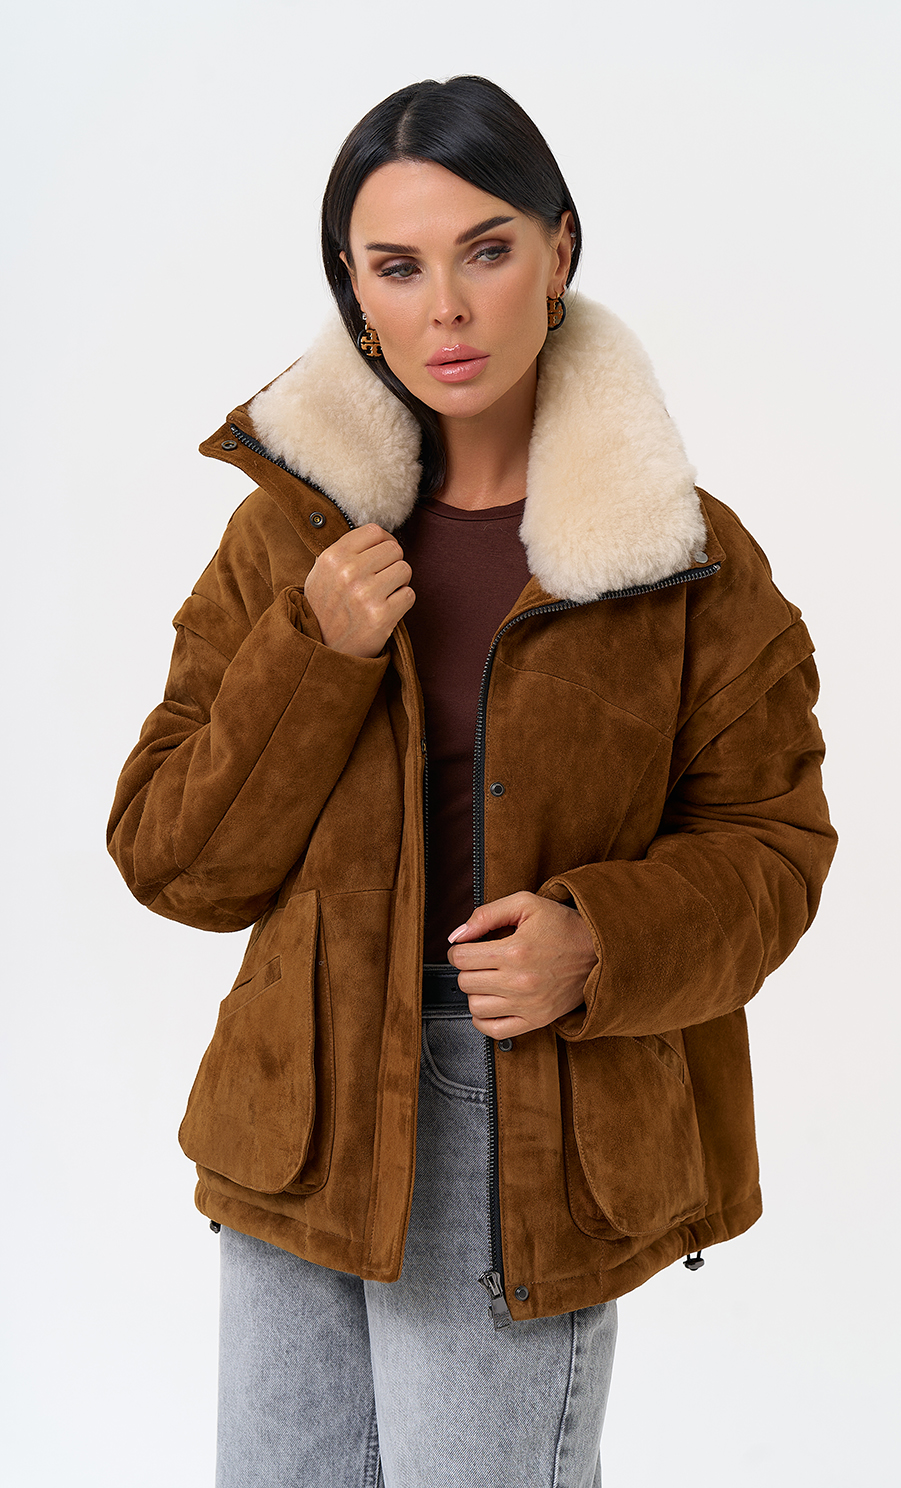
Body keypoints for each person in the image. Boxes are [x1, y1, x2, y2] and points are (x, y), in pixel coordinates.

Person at [108, 75, 836, 1488]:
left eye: (485, 251)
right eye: (398, 267)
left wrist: (598, 941)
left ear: (559, 253)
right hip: (298, 1114)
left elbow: (775, 847)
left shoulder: (680, 557)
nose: (447, 309)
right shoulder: (289, 542)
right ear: (355, 293)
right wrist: (312, 653)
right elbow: (170, 857)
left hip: (525, 1111)